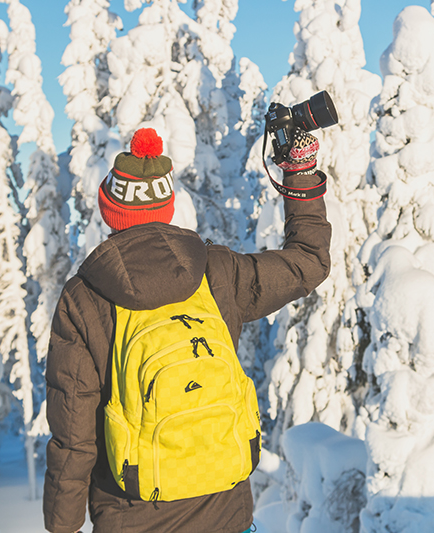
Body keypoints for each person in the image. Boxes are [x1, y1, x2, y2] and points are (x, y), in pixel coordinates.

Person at [42, 126, 331, 533]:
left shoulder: (84, 299)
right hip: (228, 512)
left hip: (133, 517)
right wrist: (298, 172)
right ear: (166, 205)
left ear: (110, 210)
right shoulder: (217, 271)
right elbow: (308, 263)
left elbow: (74, 438)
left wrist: (62, 526)